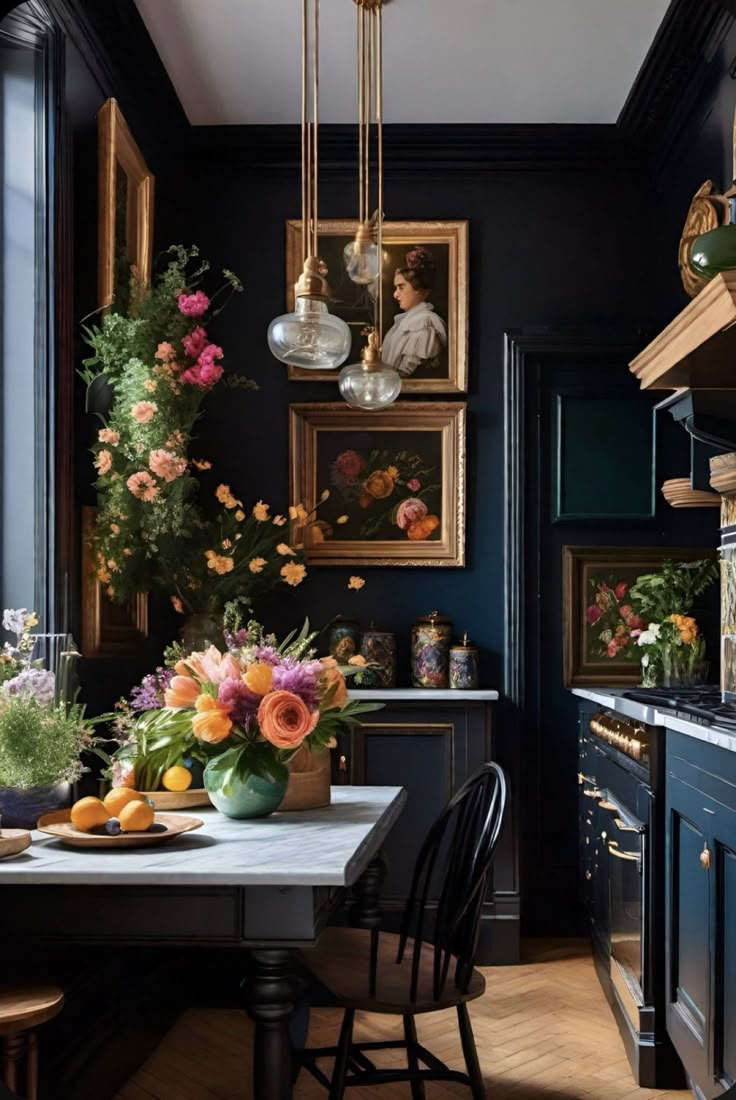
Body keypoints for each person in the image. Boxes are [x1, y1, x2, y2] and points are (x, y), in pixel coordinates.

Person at [381, 247, 448, 377]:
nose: (395, 294)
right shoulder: (404, 322)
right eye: (396, 288)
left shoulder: (426, 327)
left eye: (401, 287)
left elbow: (409, 376)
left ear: (417, 288)